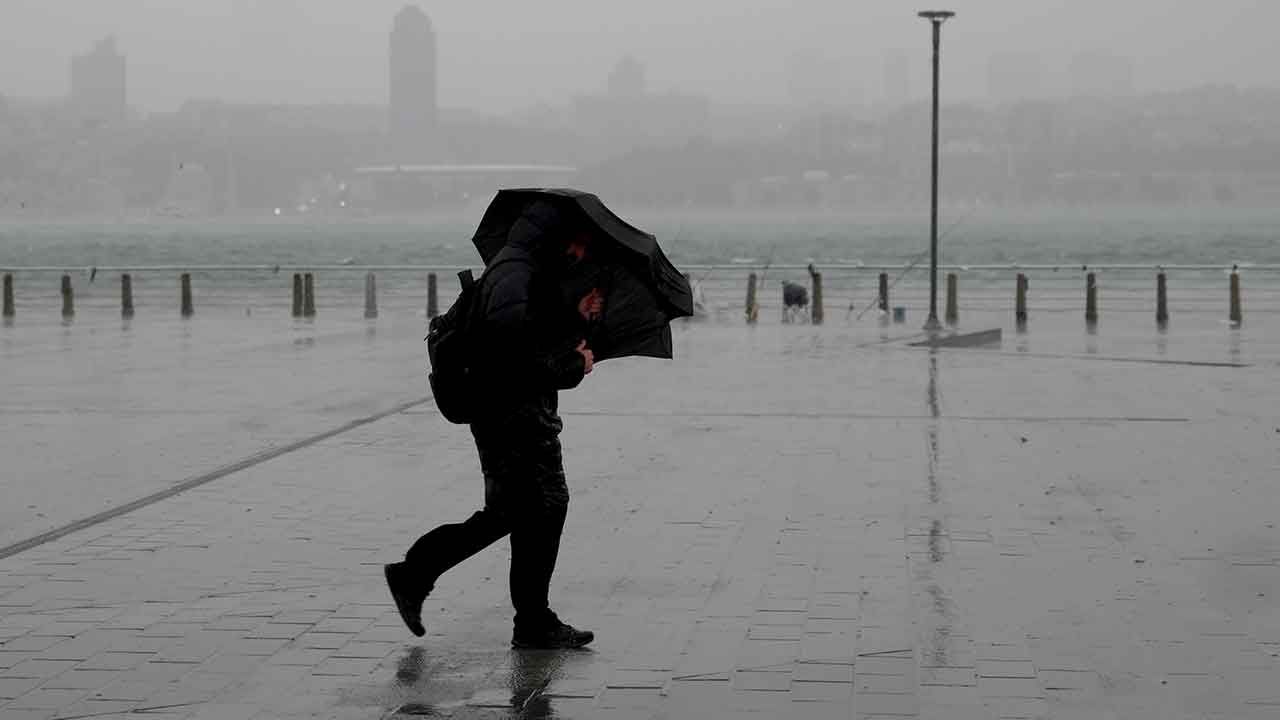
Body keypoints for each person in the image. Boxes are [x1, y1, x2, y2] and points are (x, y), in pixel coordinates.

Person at [385, 201, 604, 649]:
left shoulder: (522, 271)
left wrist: (576, 314)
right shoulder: (515, 273)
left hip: (511, 415)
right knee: (536, 507)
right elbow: (513, 355)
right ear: (557, 238)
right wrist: (571, 364)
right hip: (511, 418)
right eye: (579, 243)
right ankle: (419, 575)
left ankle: (529, 620)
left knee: (525, 512)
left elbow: (525, 335)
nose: (582, 253)